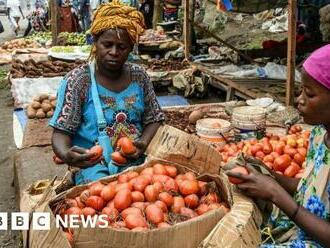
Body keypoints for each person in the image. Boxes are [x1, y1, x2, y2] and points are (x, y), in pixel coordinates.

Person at [50, 0, 165, 185]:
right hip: (92, 165)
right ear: (95, 42)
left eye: (122, 47)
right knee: (104, 197)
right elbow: (60, 133)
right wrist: (66, 154)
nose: (114, 52)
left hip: (136, 160)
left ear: (130, 48)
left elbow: (154, 119)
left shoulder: (139, 76)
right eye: (107, 44)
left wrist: (142, 143)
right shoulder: (79, 80)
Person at [227, 45, 330, 247]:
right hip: (297, 225)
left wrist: (276, 193)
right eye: (301, 90)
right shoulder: (319, 133)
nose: (299, 100)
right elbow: (309, 189)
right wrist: (271, 176)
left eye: (309, 94)